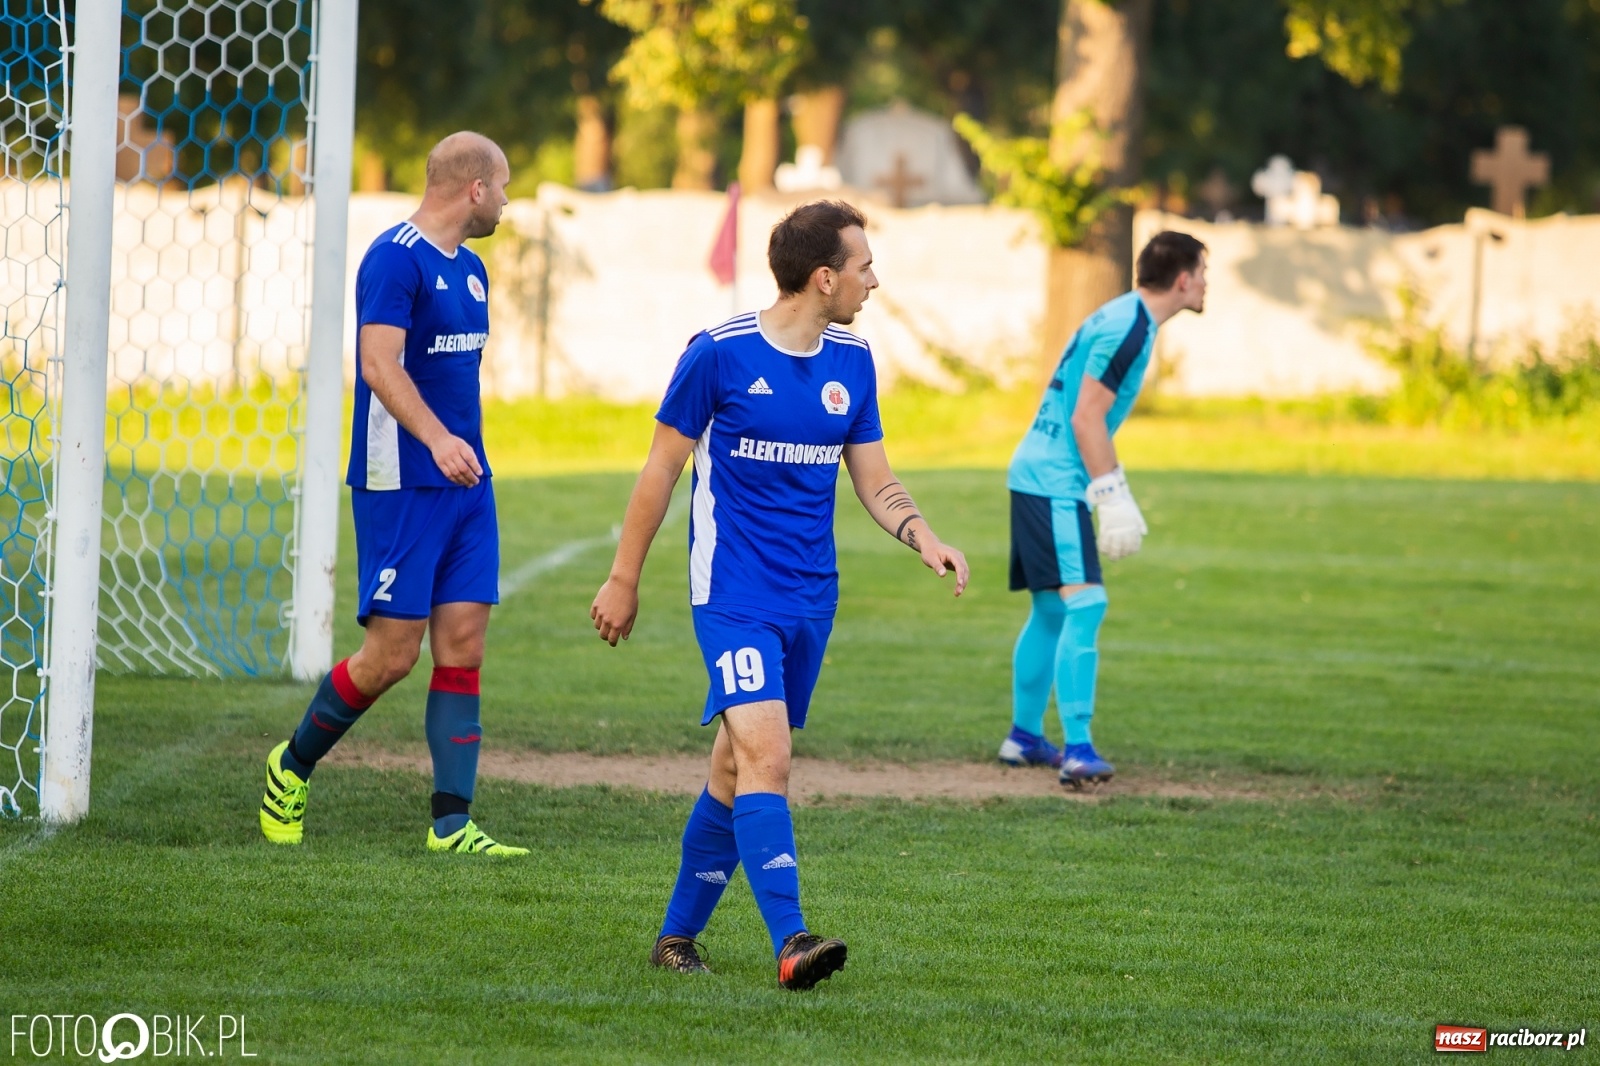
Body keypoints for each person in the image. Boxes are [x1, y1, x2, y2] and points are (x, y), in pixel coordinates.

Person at [590, 200, 969, 990]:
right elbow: (659, 471)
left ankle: (675, 939)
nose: (875, 279)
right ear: (824, 277)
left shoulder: (853, 361)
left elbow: (874, 476)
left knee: (733, 766)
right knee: (769, 753)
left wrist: (922, 535)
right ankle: (791, 940)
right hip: (731, 592)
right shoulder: (718, 355)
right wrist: (623, 579)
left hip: (810, 599)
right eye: (864, 265)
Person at [258, 131, 527, 855]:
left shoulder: (473, 271)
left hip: (468, 484)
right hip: (401, 480)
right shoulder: (392, 258)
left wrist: (459, 450)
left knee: (464, 646)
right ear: (474, 189)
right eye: (503, 185)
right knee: (391, 657)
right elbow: (378, 364)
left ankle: (451, 824)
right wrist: (437, 440)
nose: (507, 200)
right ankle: (293, 764)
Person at [1000, 231, 1208, 788]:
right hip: (1054, 481)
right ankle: (1077, 750)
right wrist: (1111, 494)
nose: (1206, 283)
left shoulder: (1124, 315)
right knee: (1086, 605)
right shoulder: (1130, 324)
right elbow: (1087, 417)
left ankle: (1023, 737)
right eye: (1203, 273)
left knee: (1050, 611)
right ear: (1184, 279)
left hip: (1035, 473)